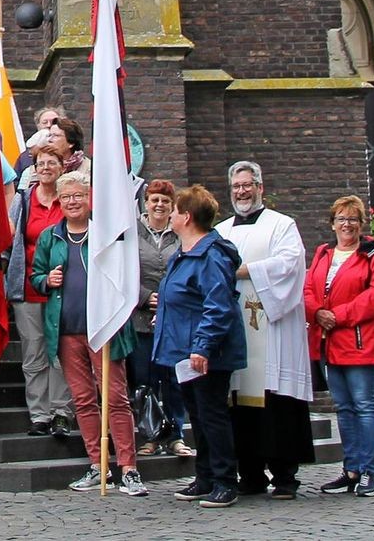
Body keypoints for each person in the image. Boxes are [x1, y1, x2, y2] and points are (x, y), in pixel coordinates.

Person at [29, 171, 144, 496]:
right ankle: (98, 463)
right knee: (83, 400)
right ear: (59, 202)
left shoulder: (105, 235)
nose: (72, 202)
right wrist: (44, 280)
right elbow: (35, 275)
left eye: (78, 195)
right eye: (66, 197)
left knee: (115, 398)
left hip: (103, 329)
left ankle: (129, 467)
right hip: (66, 330)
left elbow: (124, 273)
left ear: (89, 198)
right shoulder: (51, 237)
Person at [215, 160, 314, 500]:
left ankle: (285, 476)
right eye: (235, 187)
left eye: (247, 185)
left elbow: (290, 264)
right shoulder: (222, 230)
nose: (241, 192)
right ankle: (251, 473)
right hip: (235, 329)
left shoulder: (282, 225)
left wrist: (247, 271)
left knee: (277, 402)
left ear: (260, 187)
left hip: (271, 329)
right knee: (239, 402)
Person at [153, 184, 247, 509]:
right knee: (199, 414)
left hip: (205, 355)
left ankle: (224, 480)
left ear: (187, 217)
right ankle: (205, 476)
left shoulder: (210, 256)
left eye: (175, 210)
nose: (170, 215)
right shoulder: (186, 253)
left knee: (212, 415)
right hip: (186, 351)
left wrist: (203, 347)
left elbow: (217, 305)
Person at [305, 194, 374, 498]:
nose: (347, 224)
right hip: (329, 343)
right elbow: (309, 288)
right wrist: (316, 312)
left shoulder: (373, 253)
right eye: (341, 218)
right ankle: (351, 469)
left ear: (360, 223)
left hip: (359, 341)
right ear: (332, 223)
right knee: (343, 408)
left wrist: (337, 316)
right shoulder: (323, 253)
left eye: (352, 218)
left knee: (364, 406)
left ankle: (370, 471)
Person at [4, 148, 73, 438]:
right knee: (33, 353)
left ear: (61, 167)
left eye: (51, 163)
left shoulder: (70, 199)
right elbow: (10, 237)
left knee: (61, 353)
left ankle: (61, 412)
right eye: (40, 163)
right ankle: (39, 414)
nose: (45, 167)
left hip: (65, 288)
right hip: (29, 285)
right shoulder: (24, 200)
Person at [130, 179, 192, 457]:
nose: (159, 205)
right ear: (146, 202)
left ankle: (177, 434)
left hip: (173, 318)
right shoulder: (132, 232)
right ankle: (150, 435)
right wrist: (143, 297)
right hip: (140, 318)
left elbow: (186, 269)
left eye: (165, 201)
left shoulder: (179, 234)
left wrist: (167, 302)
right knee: (145, 380)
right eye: (154, 199)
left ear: (172, 206)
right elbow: (122, 270)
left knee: (174, 379)